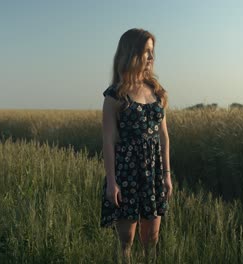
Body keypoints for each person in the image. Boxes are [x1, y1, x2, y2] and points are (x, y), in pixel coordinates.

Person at [100, 28, 173, 263]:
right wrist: (112, 182)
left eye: (153, 52)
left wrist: (167, 175)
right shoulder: (115, 96)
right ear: (132, 53)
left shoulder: (157, 92)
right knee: (126, 241)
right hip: (127, 171)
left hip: (153, 173)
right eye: (147, 51)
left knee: (151, 238)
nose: (151, 57)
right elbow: (108, 141)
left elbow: (164, 136)